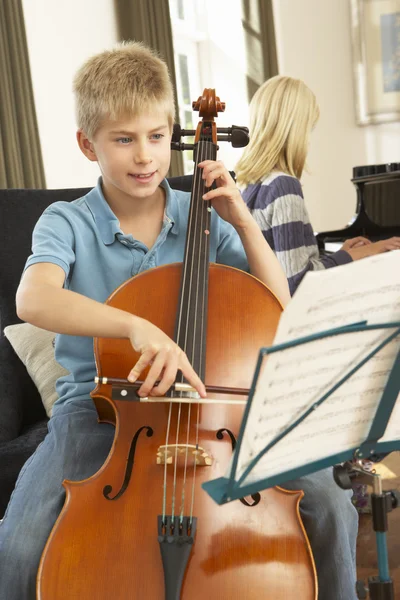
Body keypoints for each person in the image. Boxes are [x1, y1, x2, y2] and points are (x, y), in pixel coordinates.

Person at [0, 44, 352, 600]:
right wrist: (134, 327)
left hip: (213, 403)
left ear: (174, 134)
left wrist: (241, 217)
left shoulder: (202, 217)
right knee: (19, 543)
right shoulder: (66, 222)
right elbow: (33, 299)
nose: (144, 157)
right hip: (101, 409)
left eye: (157, 136)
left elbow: (277, 303)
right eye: (123, 139)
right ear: (87, 144)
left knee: (331, 503)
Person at [235, 75, 400, 296]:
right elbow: (296, 283)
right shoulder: (283, 186)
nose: (308, 140)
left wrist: (339, 255)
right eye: (308, 129)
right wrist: (361, 253)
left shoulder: (249, 184)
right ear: (295, 130)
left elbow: (286, 264)